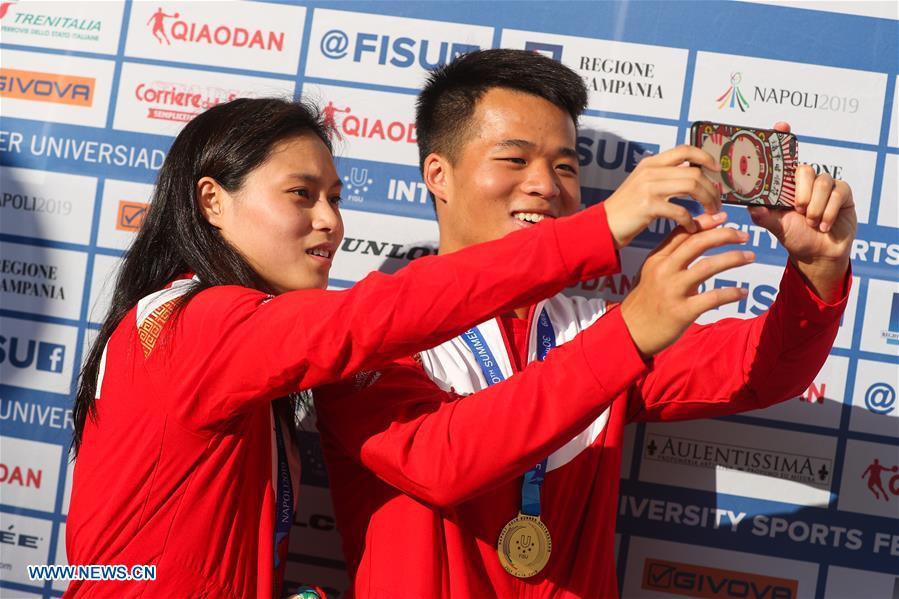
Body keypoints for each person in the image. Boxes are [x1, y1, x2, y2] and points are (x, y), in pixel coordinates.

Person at [314, 49, 855, 598]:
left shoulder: (595, 326)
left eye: (565, 166)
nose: (546, 186)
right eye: (514, 159)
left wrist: (819, 271)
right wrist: (627, 335)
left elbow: (761, 369)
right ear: (439, 175)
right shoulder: (368, 328)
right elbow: (441, 463)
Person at [65, 96, 652, 598]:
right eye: (301, 194)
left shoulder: (217, 327)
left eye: (336, 198)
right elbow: (372, 319)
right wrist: (596, 231)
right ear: (212, 201)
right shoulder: (194, 321)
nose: (330, 222)